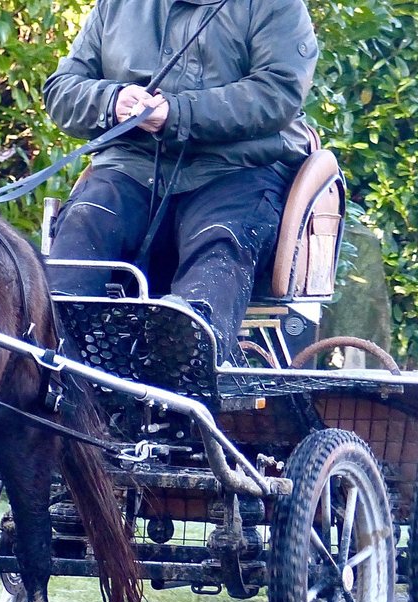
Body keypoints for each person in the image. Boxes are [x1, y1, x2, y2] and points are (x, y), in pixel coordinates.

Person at [42, 0, 319, 362]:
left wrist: (177, 112)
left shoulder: (274, 5)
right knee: (83, 228)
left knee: (221, 242)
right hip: (131, 168)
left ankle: (183, 356)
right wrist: (112, 100)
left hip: (236, 168)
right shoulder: (116, 6)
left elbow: (277, 92)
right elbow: (61, 90)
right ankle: (57, 362)